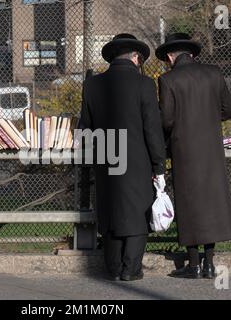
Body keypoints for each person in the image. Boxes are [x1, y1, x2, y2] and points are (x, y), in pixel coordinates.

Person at [79, 34, 166, 281]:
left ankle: (114, 267)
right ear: (136, 58)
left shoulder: (92, 85)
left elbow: (85, 127)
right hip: (137, 158)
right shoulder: (145, 85)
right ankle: (131, 269)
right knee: (138, 211)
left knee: (110, 210)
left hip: (105, 156)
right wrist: (159, 163)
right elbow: (152, 128)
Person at [155, 33, 231, 279]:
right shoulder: (214, 73)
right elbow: (229, 109)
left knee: (189, 203)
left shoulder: (168, 80)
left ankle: (193, 265)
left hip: (184, 150)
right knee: (210, 203)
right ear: (192, 54)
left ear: (171, 56)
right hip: (211, 149)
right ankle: (210, 263)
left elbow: (166, 119)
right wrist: (209, 118)